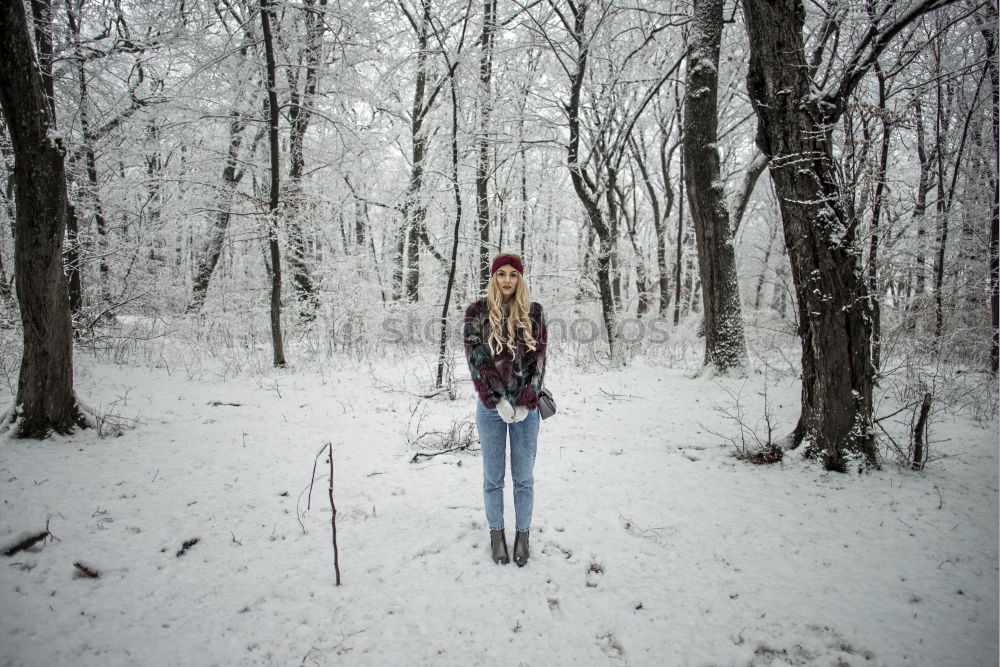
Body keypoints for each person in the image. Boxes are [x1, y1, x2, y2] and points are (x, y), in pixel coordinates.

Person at [463, 253, 547, 567]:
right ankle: (496, 535)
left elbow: (539, 362)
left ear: (520, 279)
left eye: (513, 275)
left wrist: (526, 401)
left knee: (523, 478)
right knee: (493, 478)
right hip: (491, 408)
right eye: (502, 275)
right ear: (494, 278)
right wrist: (496, 399)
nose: (507, 280)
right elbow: (477, 361)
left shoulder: (534, 312)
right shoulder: (477, 312)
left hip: (525, 409)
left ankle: (522, 536)